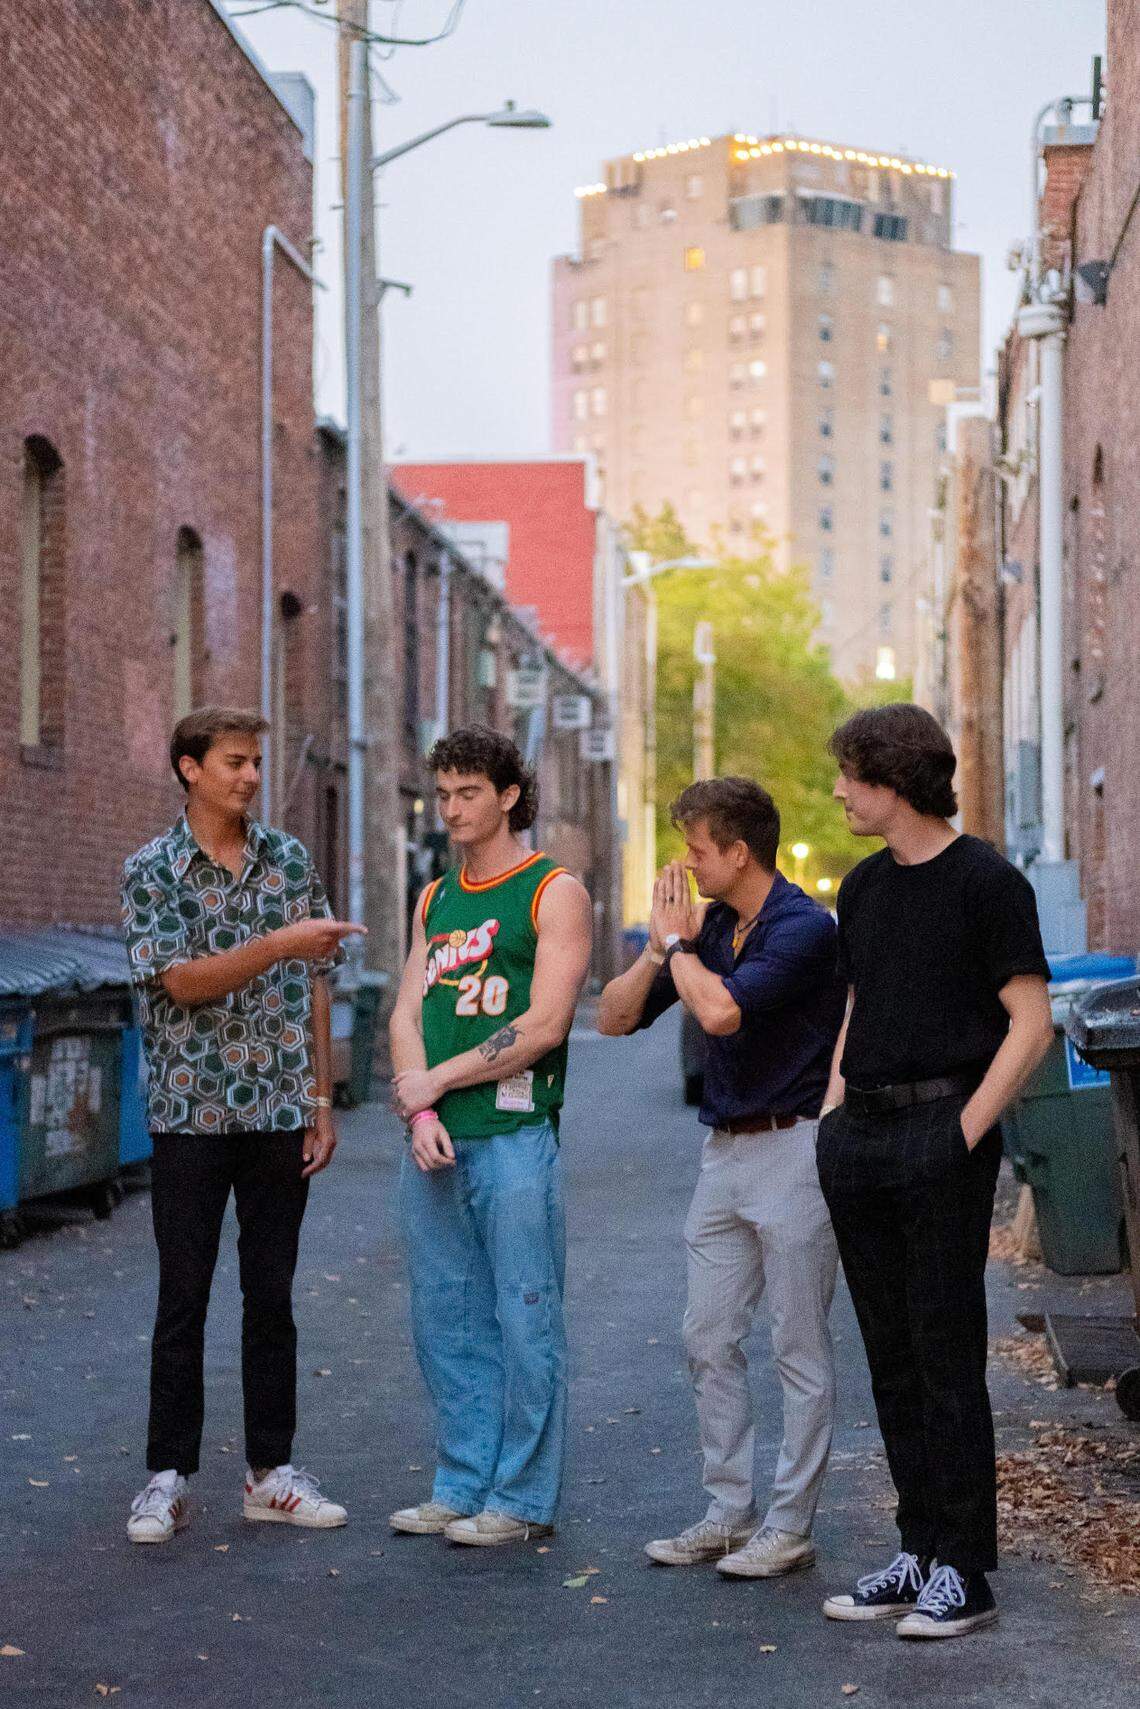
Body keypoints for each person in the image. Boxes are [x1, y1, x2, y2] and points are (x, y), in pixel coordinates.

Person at [815, 704, 1052, 1639]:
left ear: (895, 780)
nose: (837, 789)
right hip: (862, 1136)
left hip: (940, 1135)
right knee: (889, 1354)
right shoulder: (862, 886)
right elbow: (861, 1003)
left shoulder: (988, 882)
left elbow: (1030, 1023)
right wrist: (834, 1115)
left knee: (947, 1356)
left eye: (848, 774)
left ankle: (966, 1569)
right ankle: (918, 1548)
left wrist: (959, 1134)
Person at [120, 708, 364, 1544]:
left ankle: (271, 1472)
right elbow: (181, 982)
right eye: (234, 762)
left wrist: (322, 1099)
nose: (251, 776)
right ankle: (166, 1477)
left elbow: (320, 978)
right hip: (190, 1114)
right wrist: (279, 942)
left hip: (277, 1111)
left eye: (256, 761)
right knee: (181, 1298)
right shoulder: (151, 869)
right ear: (189, 768)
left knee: (273, 1297)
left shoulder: (289, 859)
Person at [597, 777, 845, 1579]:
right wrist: (655, 948)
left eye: (699, 848)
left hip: (795, 1148)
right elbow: (614, 1016)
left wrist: (679, 945)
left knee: (798, 1345)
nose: (689, 863)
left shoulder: (804, 929)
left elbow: (723, 1013)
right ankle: (729, 1511)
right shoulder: (708, 930)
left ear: (739, 851)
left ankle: (789, 1522)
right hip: (724, 1152)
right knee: (706, 1335)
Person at [388, 726, 592, 1548]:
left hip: (513, 1131)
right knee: (446, 1316)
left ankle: (521, 1497)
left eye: (468, 792)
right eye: (442, 795)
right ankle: (460, 1480)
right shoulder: (435, 899)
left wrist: (439, 1081)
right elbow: (408, 1009)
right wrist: (422, 1107)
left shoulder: (552, 890)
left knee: (525, 1312)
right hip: (439, 1136)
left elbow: (544, 1023)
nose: (452, 809)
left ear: (509, 794)